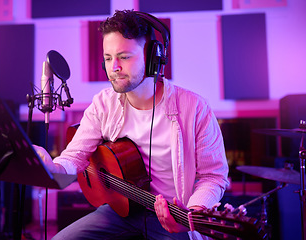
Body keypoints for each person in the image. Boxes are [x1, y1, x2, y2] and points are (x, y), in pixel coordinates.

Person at [34, 9, 229, 240]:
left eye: (124, 57)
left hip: (175, 218)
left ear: (152, 58)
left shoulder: (195, 108)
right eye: (108, 58)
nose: (113, 67)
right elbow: (75, 156)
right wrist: (52, 166)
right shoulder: (103, 104)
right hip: (120, 211)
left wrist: (192, 214)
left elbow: (213, 176)